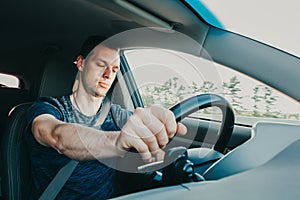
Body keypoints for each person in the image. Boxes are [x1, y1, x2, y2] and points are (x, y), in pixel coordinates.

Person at [26, 36, 187, 199]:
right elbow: (56, 135)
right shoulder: (48, 108)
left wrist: (157, 126)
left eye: (114, 69)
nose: (108, 74)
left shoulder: (116, 115)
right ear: (81, 63)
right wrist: (116, 141)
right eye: (101, 65)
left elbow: (141, 130)